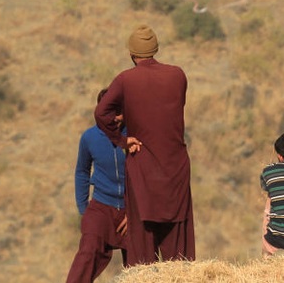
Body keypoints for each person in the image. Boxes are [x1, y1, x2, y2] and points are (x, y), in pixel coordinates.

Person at [95, 25, 195, 266]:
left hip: (143, 167)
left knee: (142, 241)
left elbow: (101, 113)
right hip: (175, 168)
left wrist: (122, 140)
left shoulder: (126, 79)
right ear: (156, 50)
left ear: (132, 54)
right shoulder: (178, 75)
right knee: (176, 244)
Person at [65, 90, 128, 283]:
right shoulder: (90, 137)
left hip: (132, 209)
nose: (114, 118)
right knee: (86, 255)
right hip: (101, 206)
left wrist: (136, 212)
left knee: (141, 266)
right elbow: (82, 171)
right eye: (108, 112)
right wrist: (84, 208)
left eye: (118, 112)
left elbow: (151, 177)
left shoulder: (136, 134)